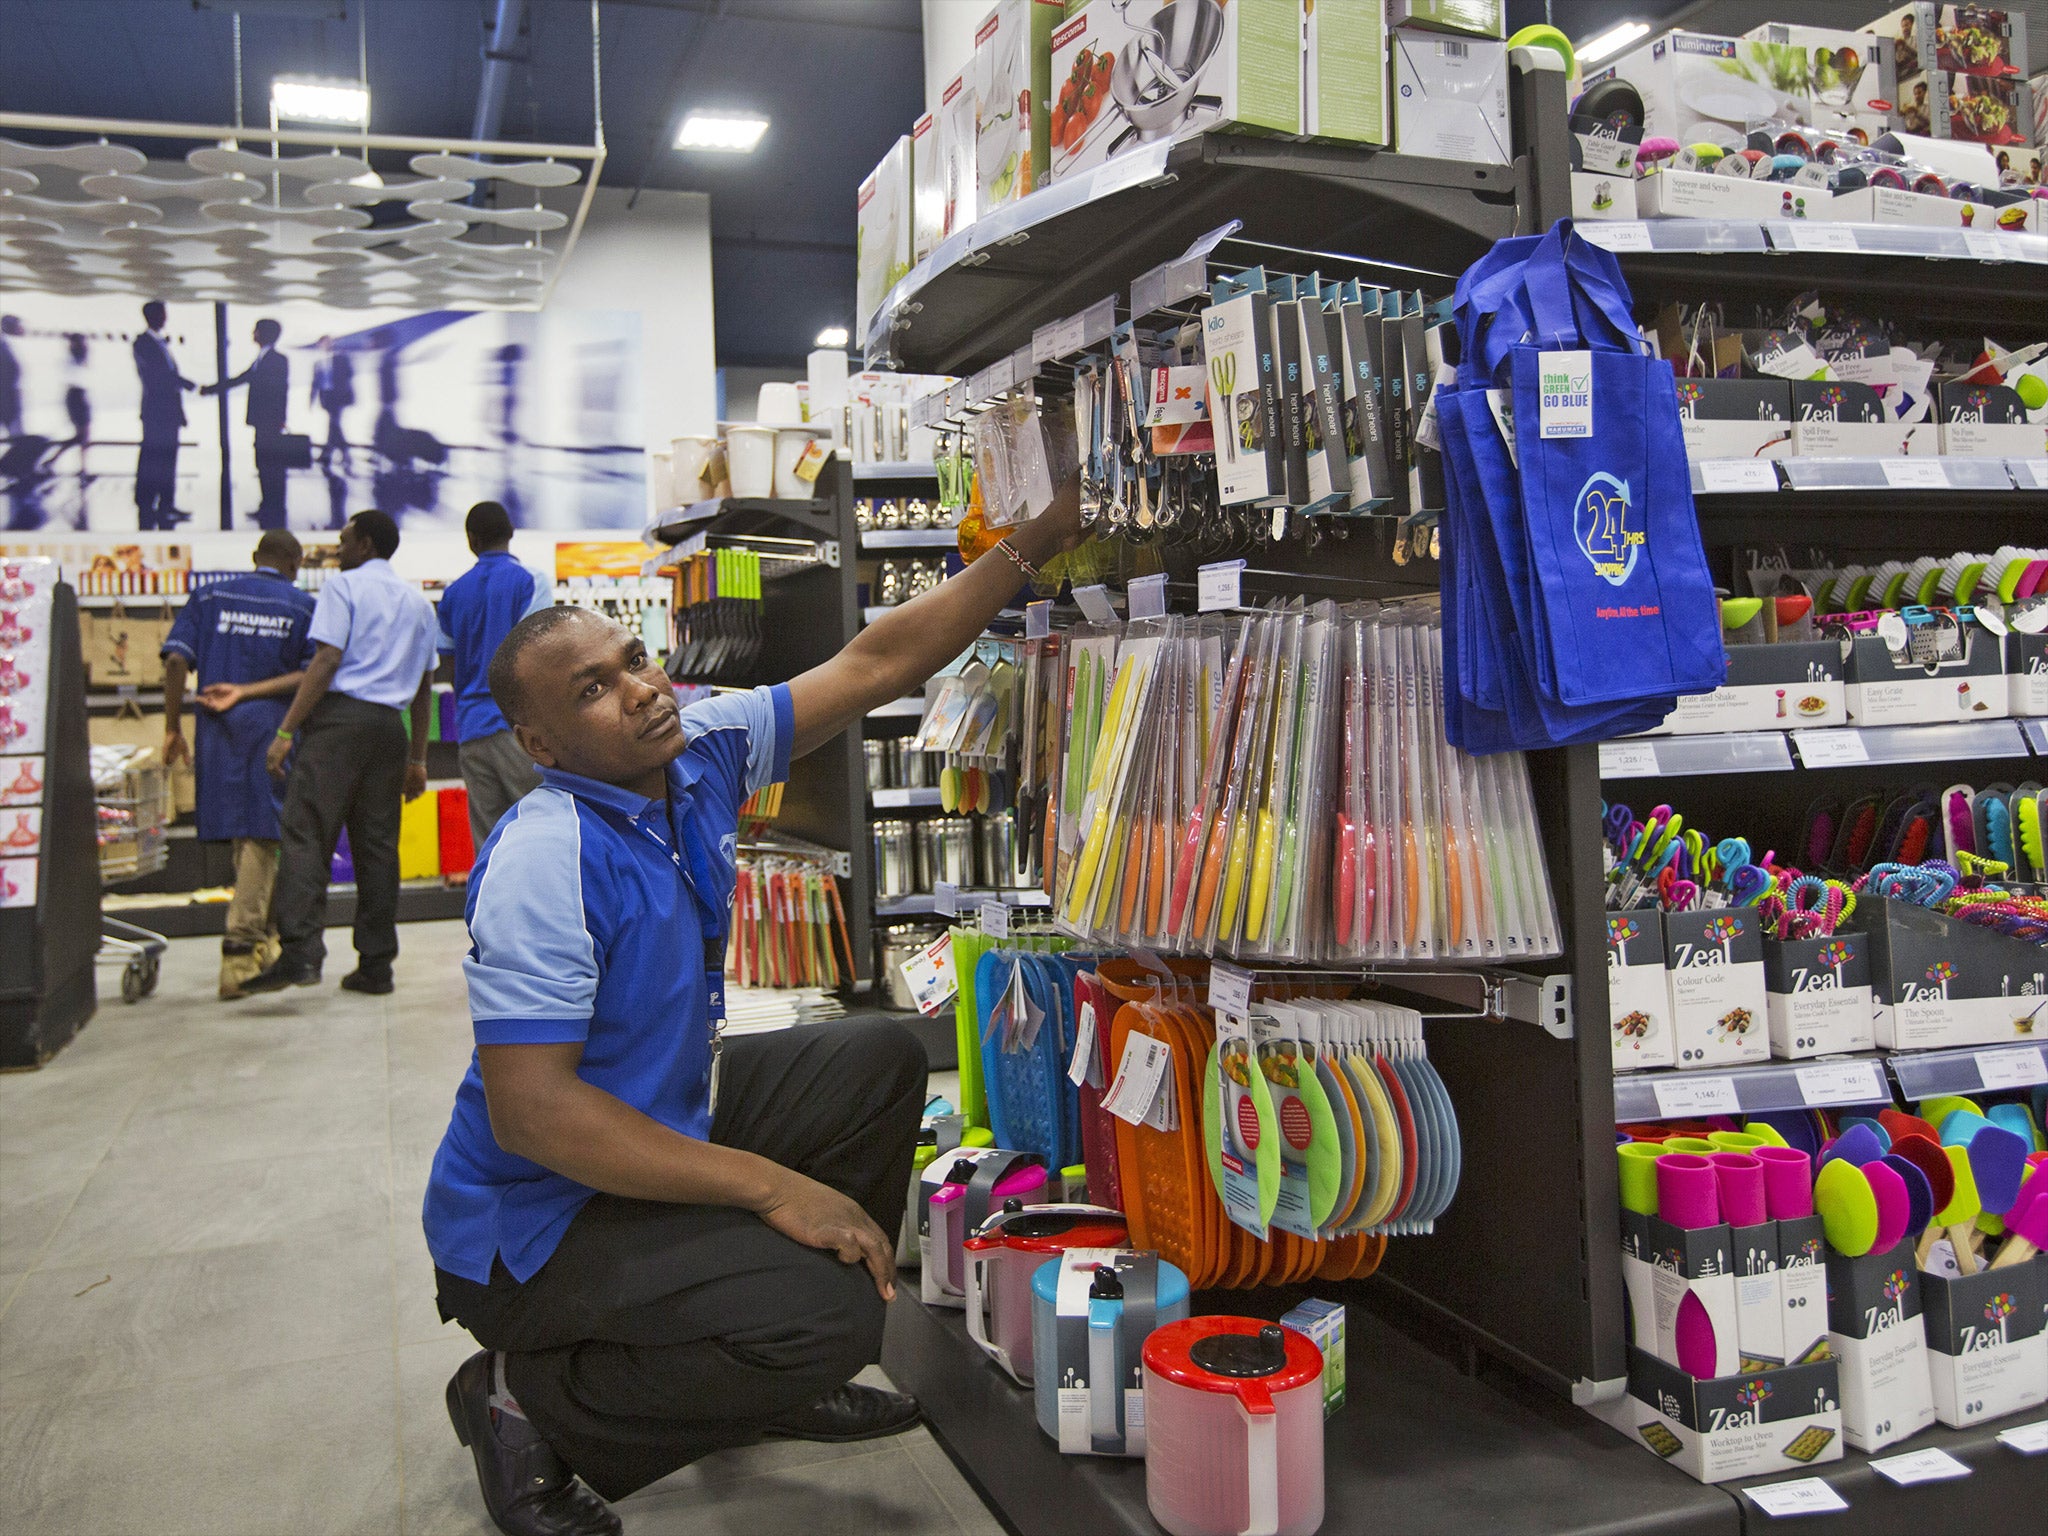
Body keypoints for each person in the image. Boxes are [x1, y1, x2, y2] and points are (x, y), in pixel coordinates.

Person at [425, 475, 1083, 1536]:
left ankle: (758, 1375)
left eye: (633, 661)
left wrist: (1040, 537)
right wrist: (775, 1190)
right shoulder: (545, 856)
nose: (638, 690)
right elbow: (534, 1116)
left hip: (656, 1124)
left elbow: (876, 662)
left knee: (871, 1060)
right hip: (533, 1224)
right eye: (591, 690)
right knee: (829, 1318)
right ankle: (521, 1400)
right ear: (541, 746)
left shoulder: (699, 748)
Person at [243, 509, 440, 997]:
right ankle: (376, 965)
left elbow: (327, 659)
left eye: (344, 539)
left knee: (307, 833)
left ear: (367, 544)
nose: (338, 548)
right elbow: (423, 685)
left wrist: (286, 731)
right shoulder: (418, 604)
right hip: (387, 732)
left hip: (339, 727)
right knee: (376, 848)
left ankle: (301, 953)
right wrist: (417, 759)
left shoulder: (343, 587)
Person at [161, 531, 318, 998]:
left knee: (244, 834)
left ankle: (257, 944)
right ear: (295, 561)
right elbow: (312, 672)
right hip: (274, 731)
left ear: (255, 558)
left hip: (215, 730)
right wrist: (252, 693)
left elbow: (174, 660)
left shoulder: (210, 596)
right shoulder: (301, 605)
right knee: (261, 835)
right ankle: (240, 955)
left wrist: (171, 726)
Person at [436, 500, 549, 851]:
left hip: (471, 729)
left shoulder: (453, 593)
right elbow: (540, 655)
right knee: (537, 826)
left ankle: (492, 906)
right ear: (511, 533)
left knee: (489, 839)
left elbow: (448, 662)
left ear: (471, 540)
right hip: (517, 729)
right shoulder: (530, 581)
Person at [207, 317, 291, 529]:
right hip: (263, 422)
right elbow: (242, 378)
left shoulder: (277, 359)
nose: (253, 334)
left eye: (256, 331)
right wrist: (212, 389)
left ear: (264, 334)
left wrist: (280, 418)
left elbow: (281, 391)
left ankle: (275, 509)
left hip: (269, 422)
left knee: (271, 466)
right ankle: (267, 506)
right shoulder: (262, 358)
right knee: (264, 464)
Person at [132, 301, 195, 530]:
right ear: (151, 316)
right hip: (157, 412)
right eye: (161, 314)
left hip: (166, 412)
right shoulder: (144, 343)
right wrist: (188, 384)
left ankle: (166, 504)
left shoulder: (158, 342)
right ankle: (148, 504)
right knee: (153, 460)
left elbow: (167, 379)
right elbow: (160, 378)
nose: (164, 318)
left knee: (167, 460)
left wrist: (180, 412)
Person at [311, 335, 354, 470]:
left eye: (327, 342)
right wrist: (311, 399)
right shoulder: (318, 362)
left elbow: (349, 375)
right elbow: (315, 383)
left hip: (338, 397)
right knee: (334, 426)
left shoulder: (341, 358)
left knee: (333, 424)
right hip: (326, 397)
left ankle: (331, 454)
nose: (325, 345)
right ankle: (341, 454)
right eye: (322, 343)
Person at [0, 315, 23, 438]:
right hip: (8, 398)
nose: (20, 329)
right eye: (17, 326)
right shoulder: (3, 345)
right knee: (17, 439)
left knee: (17, 438)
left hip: (10, 397)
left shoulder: (7, 344)